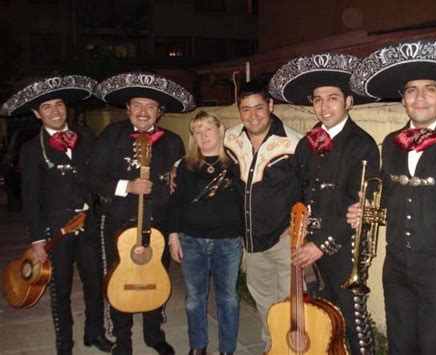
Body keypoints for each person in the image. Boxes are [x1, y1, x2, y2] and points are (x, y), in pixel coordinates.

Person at [348, 39, 436, 354]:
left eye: (429, 89)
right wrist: (368, 209)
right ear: (403, 98)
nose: (419, 98)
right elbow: (389, 198)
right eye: (411, 90)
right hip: (396, 264)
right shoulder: (391, 142)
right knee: (400, 345)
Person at [269, 53, 380, 355]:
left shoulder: (362, 144)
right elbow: (299, 194)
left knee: (352, 323)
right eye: (318, 99)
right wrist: (294, 233)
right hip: (309, 247)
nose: (324, 106)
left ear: (349, 102)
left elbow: (358, 207)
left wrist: (321, 244)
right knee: (323, 320)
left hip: (343, 250)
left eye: (332, 98)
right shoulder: (308, 143)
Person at [1, 75, 113, 355]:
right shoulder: (30, 149)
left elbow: (102, 172)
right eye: (47, 107)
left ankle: (94, 333)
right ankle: (64, 343)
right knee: (59, 288)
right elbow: (30, 198)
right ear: (37, 114)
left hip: (88, 223)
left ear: (67, 108)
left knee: (94, 281)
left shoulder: (86, 137)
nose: (55, 111)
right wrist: (38, 240)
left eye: (59, 104)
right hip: (56, 228)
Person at [88, 72, 194, 355]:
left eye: (150, 106)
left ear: (160, 112)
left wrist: (174, 230)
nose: (144, 111)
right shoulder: (112, 135)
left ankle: (153, 334)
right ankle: (122, 338)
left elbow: (178, 189)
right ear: (128, 109)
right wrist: (127, 186)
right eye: (137, 105)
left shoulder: (172, 141)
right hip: (119, 222)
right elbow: (92, 177)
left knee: (155, 279)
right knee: (118, 280)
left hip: (158, 223)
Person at [223, 81, 302, 351]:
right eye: (246, 109)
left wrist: (300, 226)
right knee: (263, 299)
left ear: (270, 105)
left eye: (259, 107)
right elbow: (203, 152)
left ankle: (293, 349)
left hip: (284, 239)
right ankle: (273, 346)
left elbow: (310, 186)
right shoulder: (230, 138)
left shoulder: (294, 143)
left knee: (291, 302)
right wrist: (177, 168)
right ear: (239, 111)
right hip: (252, 239)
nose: (253, 115)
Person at [168, 111, 242, 355]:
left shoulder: (237, 163)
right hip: (191, 241)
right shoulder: (185, 166)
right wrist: (173, 236)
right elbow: (176, 203)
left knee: (228, 299)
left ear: (221, 130)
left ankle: (227, 349)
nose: (203, 135)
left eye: (207, 128)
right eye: (197, 131)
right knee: (194, 298)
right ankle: (198, 346)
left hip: (228, 242)